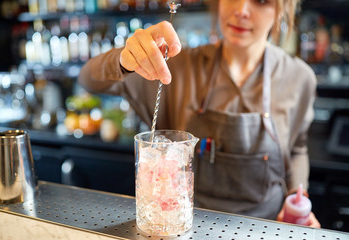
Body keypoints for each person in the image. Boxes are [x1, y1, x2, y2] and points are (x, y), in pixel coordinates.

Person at [79, 0, 321, 227]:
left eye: (261, 0)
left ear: (282, 8)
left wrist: (298, 197)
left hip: (263, 228)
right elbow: (89, 80)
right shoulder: (176, 67)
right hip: (185, 226)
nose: (241, 9)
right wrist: (124, 59)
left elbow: (297, 148)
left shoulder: (299, 78)